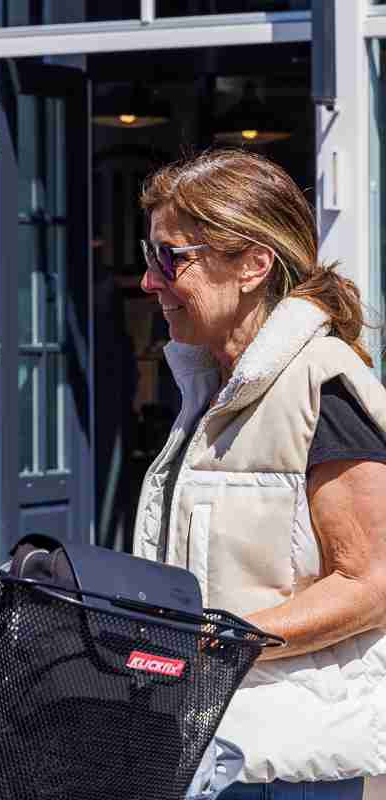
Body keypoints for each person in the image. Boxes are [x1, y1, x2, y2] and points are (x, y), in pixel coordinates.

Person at [133, 149, 386, 799]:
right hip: (212, 743)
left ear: (253, 264)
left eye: (170, 257)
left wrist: (218, 641)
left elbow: (371, 584)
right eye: (149, 254)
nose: (149, 281)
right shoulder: (212, 387)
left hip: (282, 762)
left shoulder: (321, 383)